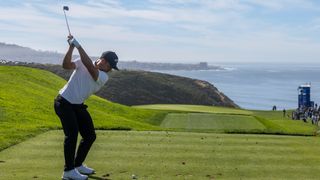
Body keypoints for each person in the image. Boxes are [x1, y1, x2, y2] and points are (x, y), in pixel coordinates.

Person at [54, 36, 119, 180]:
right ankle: (68, 171)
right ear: (102, 59)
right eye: (109, 65)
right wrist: (71, 47)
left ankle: (77, 165)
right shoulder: (82, 62)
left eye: (111, 67)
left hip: (77, 105)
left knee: (90, 135)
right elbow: (65, 65)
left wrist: (79, 46)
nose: (109, 69)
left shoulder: (103, 76)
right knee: (72, 135)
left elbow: (90, 67)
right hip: (63, 102)